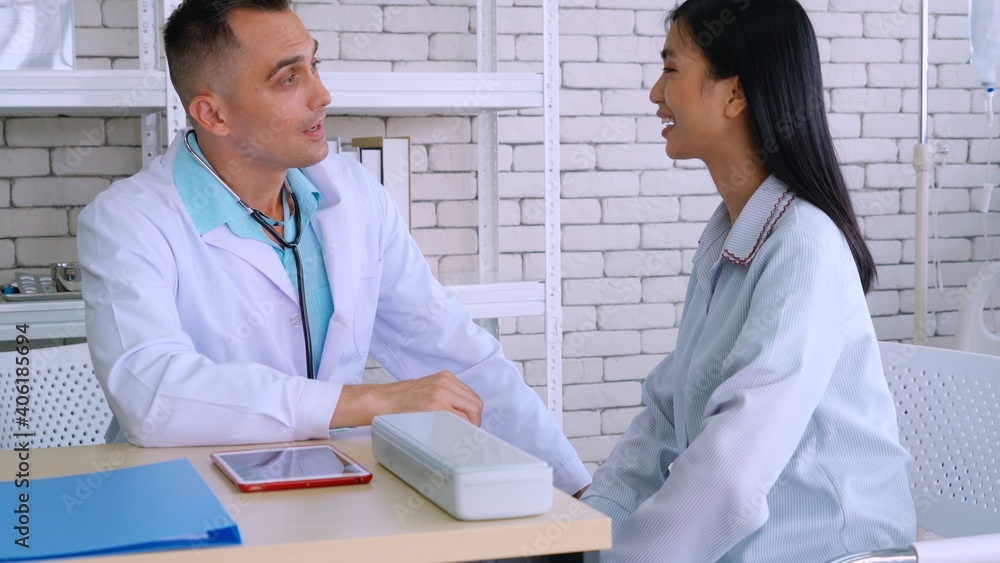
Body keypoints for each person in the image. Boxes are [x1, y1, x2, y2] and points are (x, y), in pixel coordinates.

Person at [77, 0, 590, 497]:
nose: (321, 94)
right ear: (213, 114)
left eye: (314, 65)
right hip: (188, 501)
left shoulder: (355, 196)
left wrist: (572, 487)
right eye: (288, 78)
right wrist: (365, 401)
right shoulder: (128, 220)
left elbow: (458, 354)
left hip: (330, 493)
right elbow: (152, 394)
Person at [580, 0, 916, 560]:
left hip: (827, 553)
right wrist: (584, 532)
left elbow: (731, 473)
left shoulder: (803, 243)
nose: (655, 94)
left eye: (671, 69)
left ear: (734, 93)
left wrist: (618, 560)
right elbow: (667, 419)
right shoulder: (729, 235)